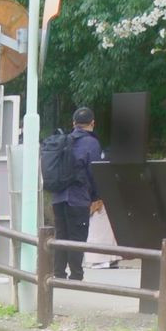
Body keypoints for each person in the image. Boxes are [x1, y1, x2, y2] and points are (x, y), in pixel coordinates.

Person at [45, 104, 105, 282]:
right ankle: (76, 276)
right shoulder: (91, 143)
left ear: (73, 123)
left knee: (61, 235)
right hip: (78, 198)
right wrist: (97, 196)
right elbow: (94, 172)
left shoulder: (63, 141)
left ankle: (58, 274)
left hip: (58, 197)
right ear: (92, 123)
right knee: (77, 237)